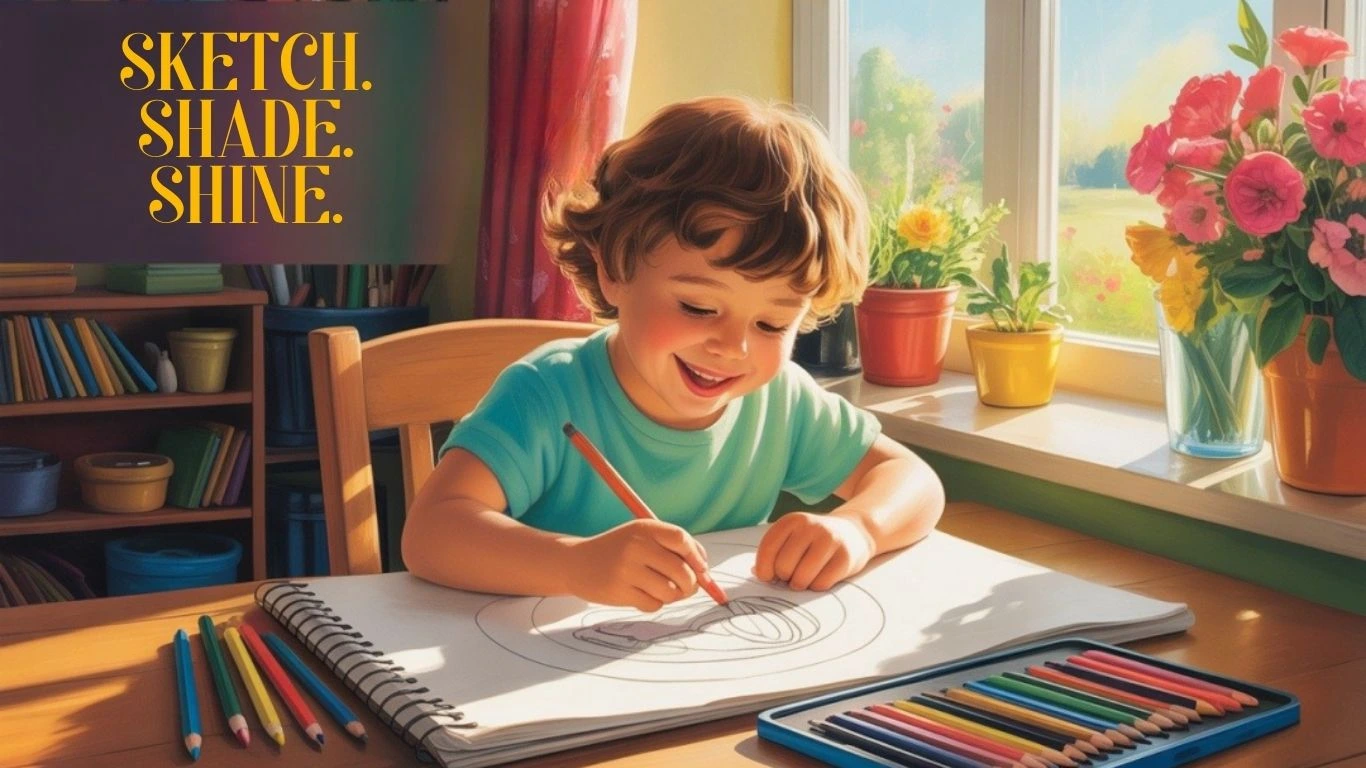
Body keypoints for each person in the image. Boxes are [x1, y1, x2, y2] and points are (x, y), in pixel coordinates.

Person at [403, 96, 944, 612]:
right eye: (698, 306)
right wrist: (574, 564)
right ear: (615, 270)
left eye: (772, 323)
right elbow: (431, 533)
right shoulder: (546, 393)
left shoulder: (780, 403)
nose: (733, 347)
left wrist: (859, 528)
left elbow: (914, 481)